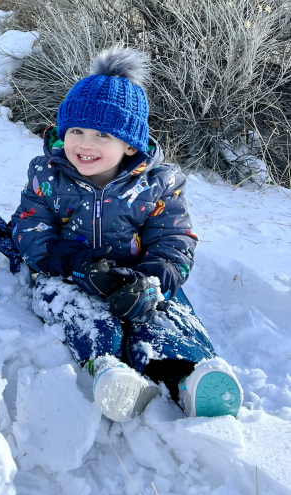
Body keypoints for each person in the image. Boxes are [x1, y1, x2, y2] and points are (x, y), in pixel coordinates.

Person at [12, 46, 243, 422]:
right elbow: (29, 227)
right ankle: (108, 372)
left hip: (138, 276)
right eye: (76, 130)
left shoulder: (159, 185)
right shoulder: (48, 176)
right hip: (70, 274)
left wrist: (152, 278)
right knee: (81, 316)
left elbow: (175, 240)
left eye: (103, 134)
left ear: (130, 143)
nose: (85, 144)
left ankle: (190, 380)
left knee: (164, 316)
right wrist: (71, 263)